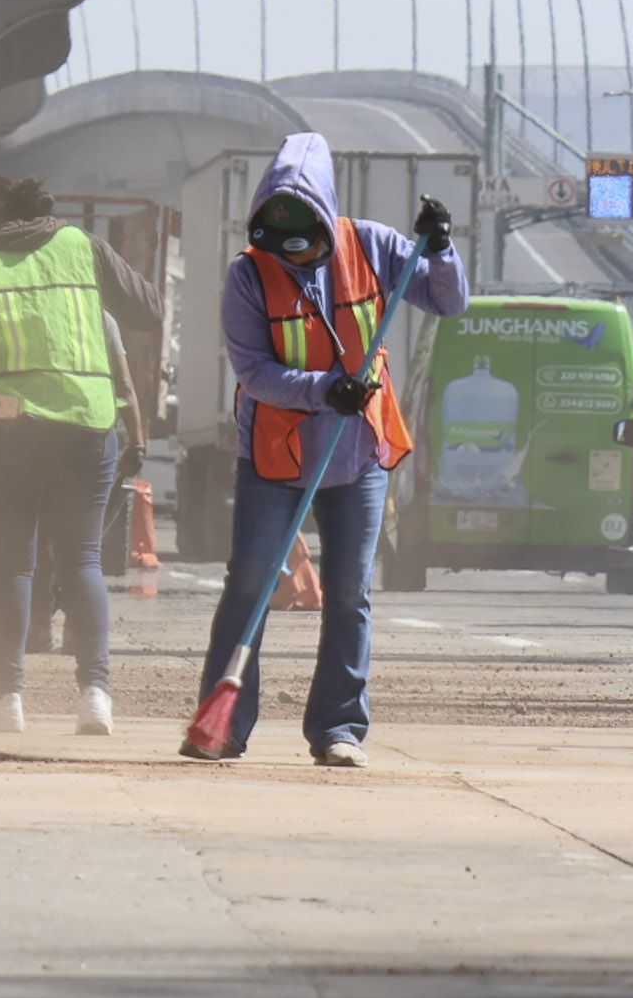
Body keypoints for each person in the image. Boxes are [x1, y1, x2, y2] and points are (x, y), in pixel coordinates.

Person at [189, 135, 463, 768]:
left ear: (325, 220)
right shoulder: (247, 277)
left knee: (348, 594)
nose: (293, 257)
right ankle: (223, 727)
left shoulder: (372, 246)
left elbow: (449, 301)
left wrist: (441, 249)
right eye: (277, 245)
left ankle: (338, 729)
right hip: (276, 457)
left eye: (304, 244)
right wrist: (322, 389)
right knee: (250, 587)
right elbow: (254, 370)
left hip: (357, 455)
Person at [0, 175, 165, 734]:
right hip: (87, 425)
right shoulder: (81, 247)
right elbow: (149, 311)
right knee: (81, 559)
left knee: (14, 561)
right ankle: (95, 697)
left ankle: (8, 700)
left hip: (11, 433)